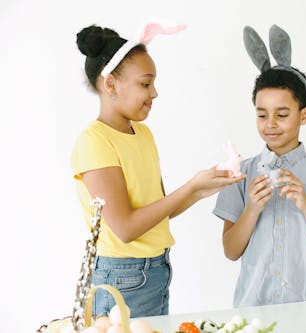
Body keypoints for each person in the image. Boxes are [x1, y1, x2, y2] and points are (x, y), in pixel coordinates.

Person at [72, 23, 245, 318]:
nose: (154, 93)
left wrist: (204, 188)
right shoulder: (94, 142)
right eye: (145, 83)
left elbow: (156, 211)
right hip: (122, 278)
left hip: (157, 269)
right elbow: (126, 228)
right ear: (110, 84)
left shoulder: (143, 134)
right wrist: (191, 186)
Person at [212, 25, 306, 307]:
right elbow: (230, 250)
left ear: (304, 115)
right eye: (262, 115)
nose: (270, 124)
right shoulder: (240, 173)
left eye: (282, 114)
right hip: (252, 312)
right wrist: (252, 208)